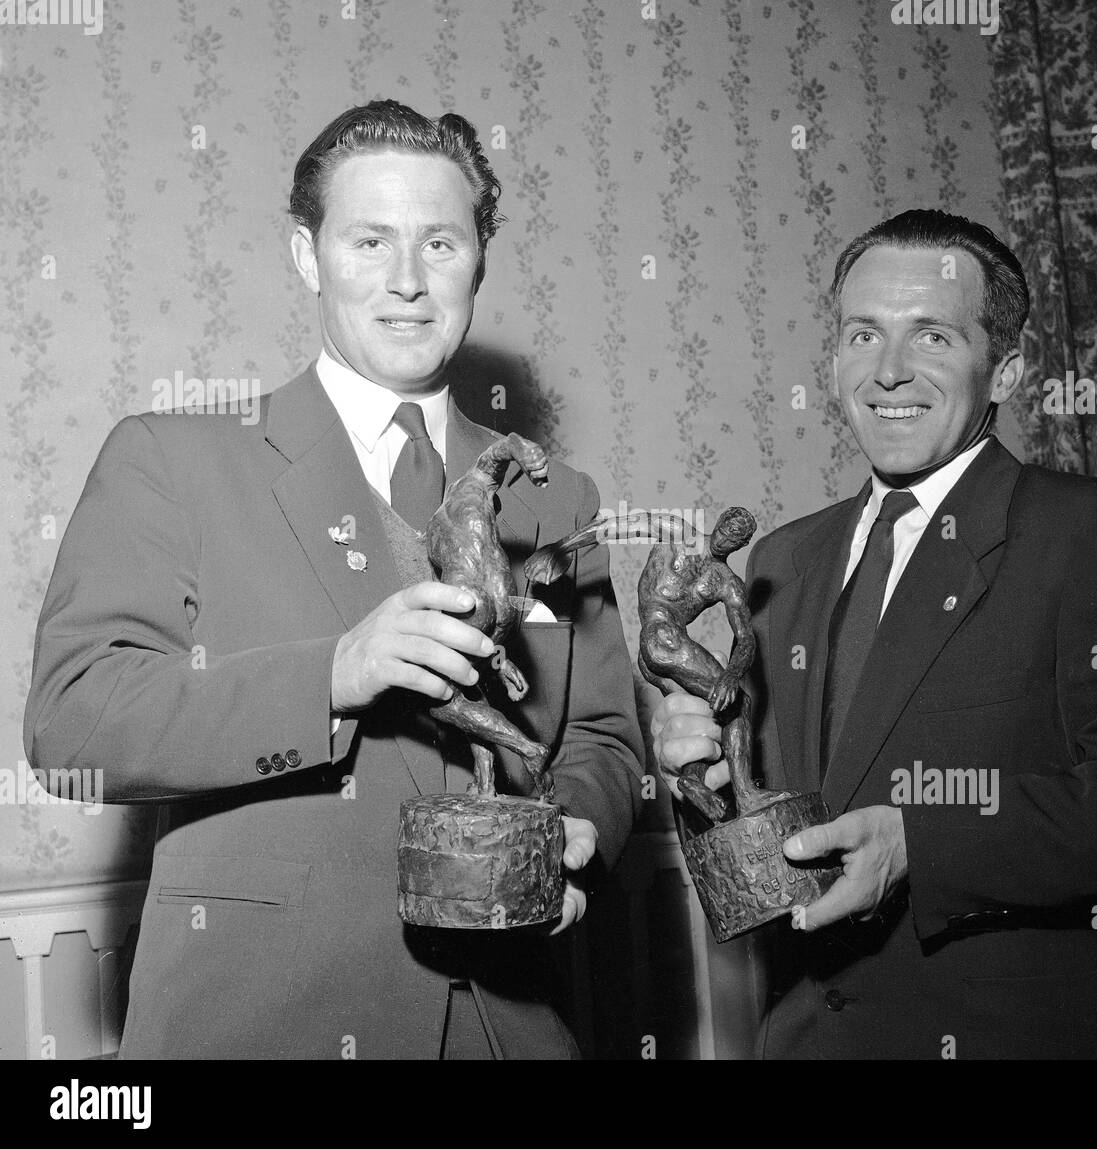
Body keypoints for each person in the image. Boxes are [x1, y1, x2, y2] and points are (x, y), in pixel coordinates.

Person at [24, 101, 644, 1060]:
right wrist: (333, 676)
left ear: (480, 257)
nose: (407, 280)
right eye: (369, 240)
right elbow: (73, 723)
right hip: (262, 1023)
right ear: (307, 257)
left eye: (441, 242)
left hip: (512, 1022)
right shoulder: (171, 457)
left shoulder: (552, 497)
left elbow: (603, 731)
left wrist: (583, 838)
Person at [651, 209, 1097, 1059]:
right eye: (863, 335)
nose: (888, 371)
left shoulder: (1089, 533)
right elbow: (774, 838)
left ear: (1003, 370)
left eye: (931, 336)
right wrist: (704, 778)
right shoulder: (784, 557)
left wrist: (919, 845)